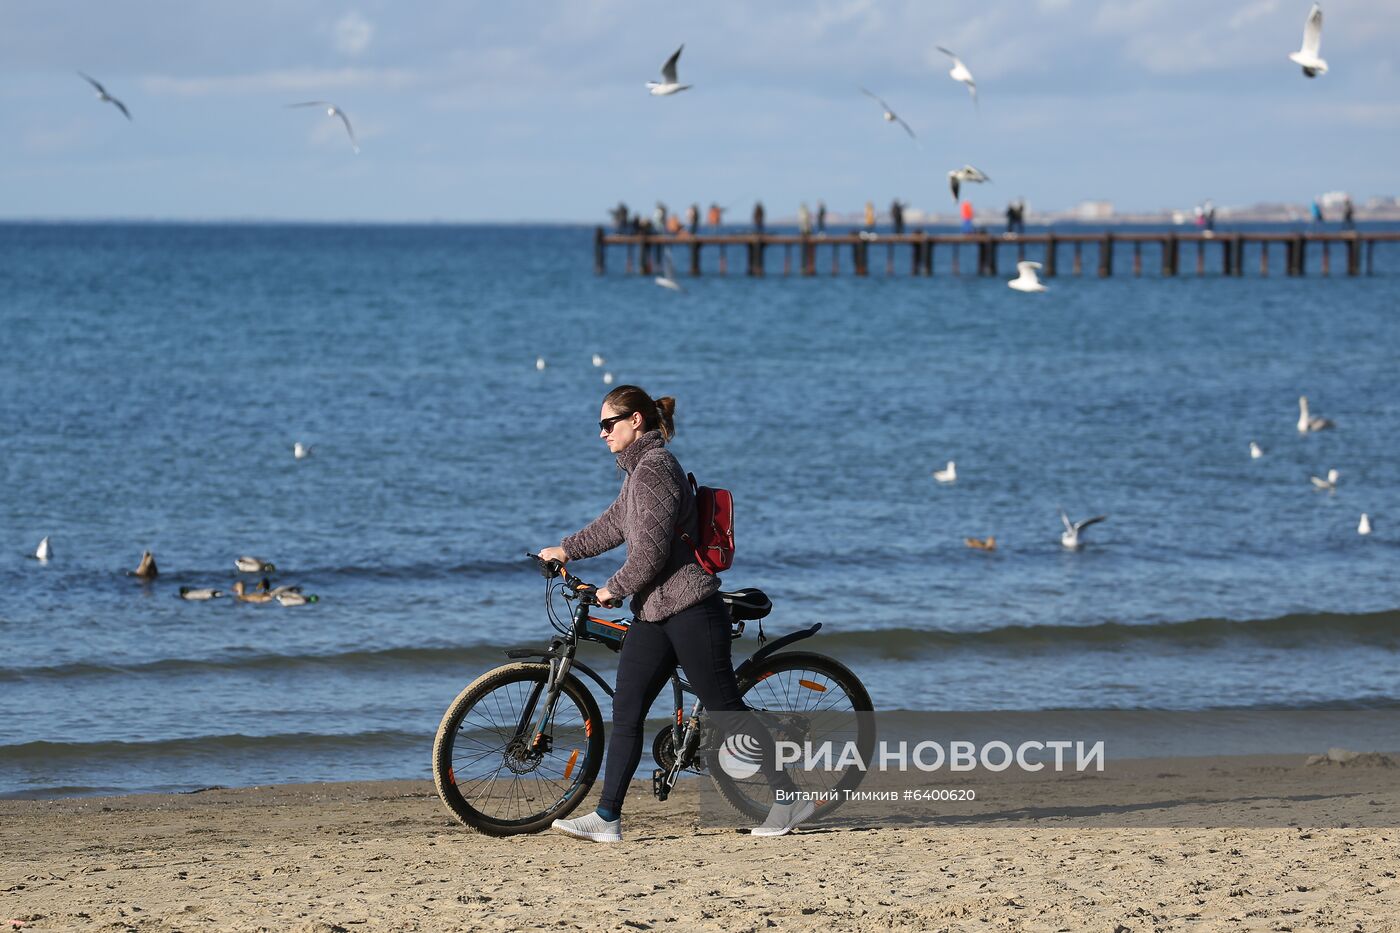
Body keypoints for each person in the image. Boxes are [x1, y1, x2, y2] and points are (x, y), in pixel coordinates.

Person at [540, 386, 808, 842]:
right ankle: (607, 818)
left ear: (636, 421)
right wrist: (567, 548)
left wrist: (613, 589)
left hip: (690, 610)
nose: (601, 434)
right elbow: (613, 524)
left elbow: (650, 553)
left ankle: (789, 800)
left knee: (725, 710)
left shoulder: (656, 470)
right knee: (626, 712)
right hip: (655, 614)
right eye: (600, 426)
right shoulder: (636, 474)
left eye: (608, 425)